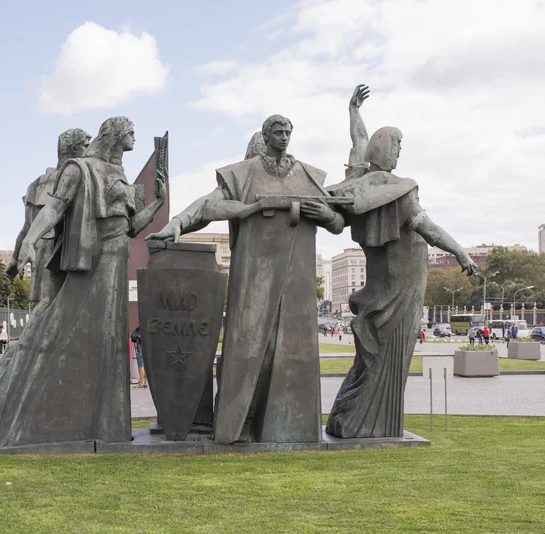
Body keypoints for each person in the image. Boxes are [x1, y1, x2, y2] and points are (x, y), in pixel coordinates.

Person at [147, 114, 345, 444]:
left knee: (293, 353)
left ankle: (287, 428)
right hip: (254, 277)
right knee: (251, 348)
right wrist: (177, 224)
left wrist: (326, 215)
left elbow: (338, 222)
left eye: (287, 131)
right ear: (265, 136)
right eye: (277, 131)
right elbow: (209, 205)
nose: (283, 136)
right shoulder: (244, 174)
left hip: (298, 281)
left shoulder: (309, 175)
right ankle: (240, 424)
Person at [0, 117, 167, 448]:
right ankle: (15, 413)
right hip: (95, 260)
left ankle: (108, 426)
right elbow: (54, 209)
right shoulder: (81, 169)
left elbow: (132, 226)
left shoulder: (117, 173)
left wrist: (158, 202)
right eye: (130, 132)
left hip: (118, 259)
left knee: (108, 342)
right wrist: (31, 240)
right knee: (57, 331)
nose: (134, 137)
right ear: (116, 135)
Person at [325, 85, 477, 439]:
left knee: (371, 361)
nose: (397, 153)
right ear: (387, 149)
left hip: (387, 287)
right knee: (384, 359)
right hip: (401, 290)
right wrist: (460, 252)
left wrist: (353, 112)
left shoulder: (363, 184)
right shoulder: (399, 191)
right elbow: (429, 228)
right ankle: (365, 424)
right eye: (396, 146)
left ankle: (349, 419)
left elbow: (359, 142)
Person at [6, 129, 91, 318]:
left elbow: (26, 228)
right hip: (59, 251)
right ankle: (27, 344)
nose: (89, 149)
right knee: (51, 306)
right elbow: (28, 226)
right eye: (86, 145)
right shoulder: (76, 176)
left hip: (47, 251)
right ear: (74, 149)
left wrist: (14, 259)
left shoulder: (35, 184)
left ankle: (28, 344)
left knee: (50, 306)